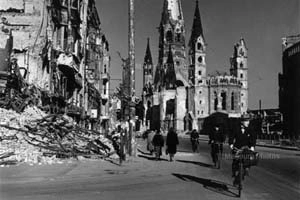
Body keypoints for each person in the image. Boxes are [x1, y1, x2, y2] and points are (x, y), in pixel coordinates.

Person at [229, 118, 256, 186]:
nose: (248, 122)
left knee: (248, 161)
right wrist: (231, 144)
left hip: (246, 148)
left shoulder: (250, 129)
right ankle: (234, 171)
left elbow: (253, 138)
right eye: (246, 121)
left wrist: (252, 146)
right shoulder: (236, 128)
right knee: (235, 160)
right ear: (242, 122)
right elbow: (231, 137)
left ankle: (245, 171)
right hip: (237, 148)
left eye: (248, 121)